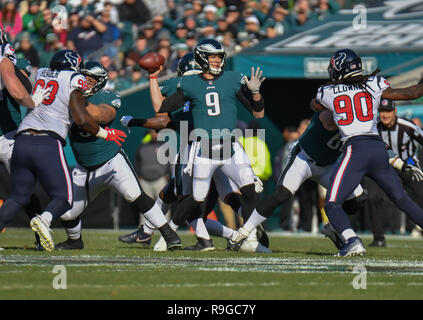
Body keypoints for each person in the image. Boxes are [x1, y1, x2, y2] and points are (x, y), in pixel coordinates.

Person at [120, 51, 269, 252]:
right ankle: (243, 231)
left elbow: (162, 115)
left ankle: (163, 233)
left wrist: (152, 80)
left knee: (181, 197)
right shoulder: (223, 80)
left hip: (197, 148)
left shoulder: (185, 83)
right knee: (225, 194)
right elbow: (255, 111)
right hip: (226, 145)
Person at [0, 49, 126, 251]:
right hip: (47, 140)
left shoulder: (41, 72)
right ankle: (45, 219)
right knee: (65, 198)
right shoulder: (74, 79)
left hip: (22, 138)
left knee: (18, 196)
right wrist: (104, 133)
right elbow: (81, 119)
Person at [55, 61, 181, 251]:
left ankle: (169, 235)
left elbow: (103, 115)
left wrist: (76, 104)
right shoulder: (71, 97)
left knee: (134, 194)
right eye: (84, 78)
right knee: (67, 213)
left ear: (99, 82)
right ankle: (74, 241)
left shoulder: (107, 97)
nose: (85, 83)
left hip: (111, 161)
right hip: (84, 168)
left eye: (91, 80)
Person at [311, 48, 423, 256]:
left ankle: (352, 241)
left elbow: (315, 105)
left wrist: (339, 89)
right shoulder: (374, 84)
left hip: (356, 149)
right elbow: (413, 93)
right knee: (401, 198)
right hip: (378, 148)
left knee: (333, 204)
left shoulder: (326, 92)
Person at [156, 39, 265, 247]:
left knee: (247, 190)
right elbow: (161, 107)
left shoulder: (232, 78)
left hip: (228, 146)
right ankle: (170, 234)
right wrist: (153, 79)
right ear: (201, 59)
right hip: (203, 146)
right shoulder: (189, 83)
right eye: (212, 56)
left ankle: (248, 236)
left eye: (219, 56)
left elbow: (258, 112)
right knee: (196, 197)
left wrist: (255, 92)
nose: (216, 60)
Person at [370, 99, 423, 245]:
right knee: (373, 196)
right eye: (381, 111)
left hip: (408, 165)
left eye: (388, 111)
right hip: (384, 167)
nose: (384, 115)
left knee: (421, 192)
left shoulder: (407, 126)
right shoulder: (374, 127)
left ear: (395, 112)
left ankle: (417, 227)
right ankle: (378, 237)